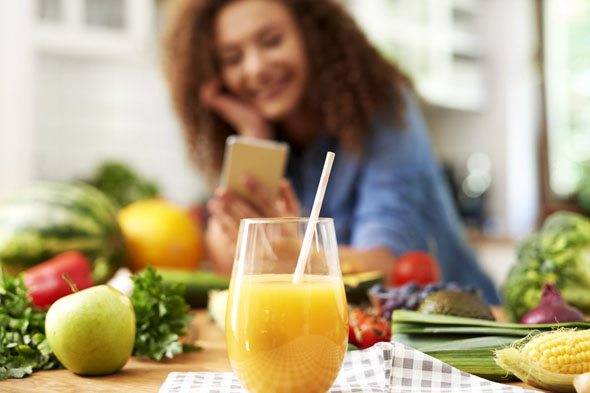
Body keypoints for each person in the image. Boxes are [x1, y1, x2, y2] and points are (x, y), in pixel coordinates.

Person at [161, 0, 501, 304]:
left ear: (311, 36)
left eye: (272, 41)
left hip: (461, 325)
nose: (255, 68)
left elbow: (386, 268)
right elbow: (230, 263)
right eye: (233, 58)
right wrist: (254, 134)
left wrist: (290, 251)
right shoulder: (269, 135)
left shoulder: (383, 108)